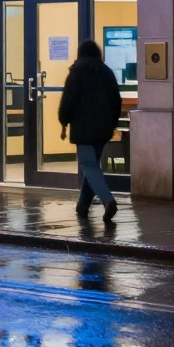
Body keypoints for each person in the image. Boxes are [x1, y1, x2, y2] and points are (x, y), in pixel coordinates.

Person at [58, 39, 123, 221]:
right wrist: (113, 123)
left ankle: (108, 200)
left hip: (83, 128)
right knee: (92, 165)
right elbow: (116, 99)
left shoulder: (76, 72)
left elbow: (68, 100)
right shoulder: (106, 71)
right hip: (104, 128)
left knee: (89, 165)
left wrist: (63, 120)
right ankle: (83, 205)